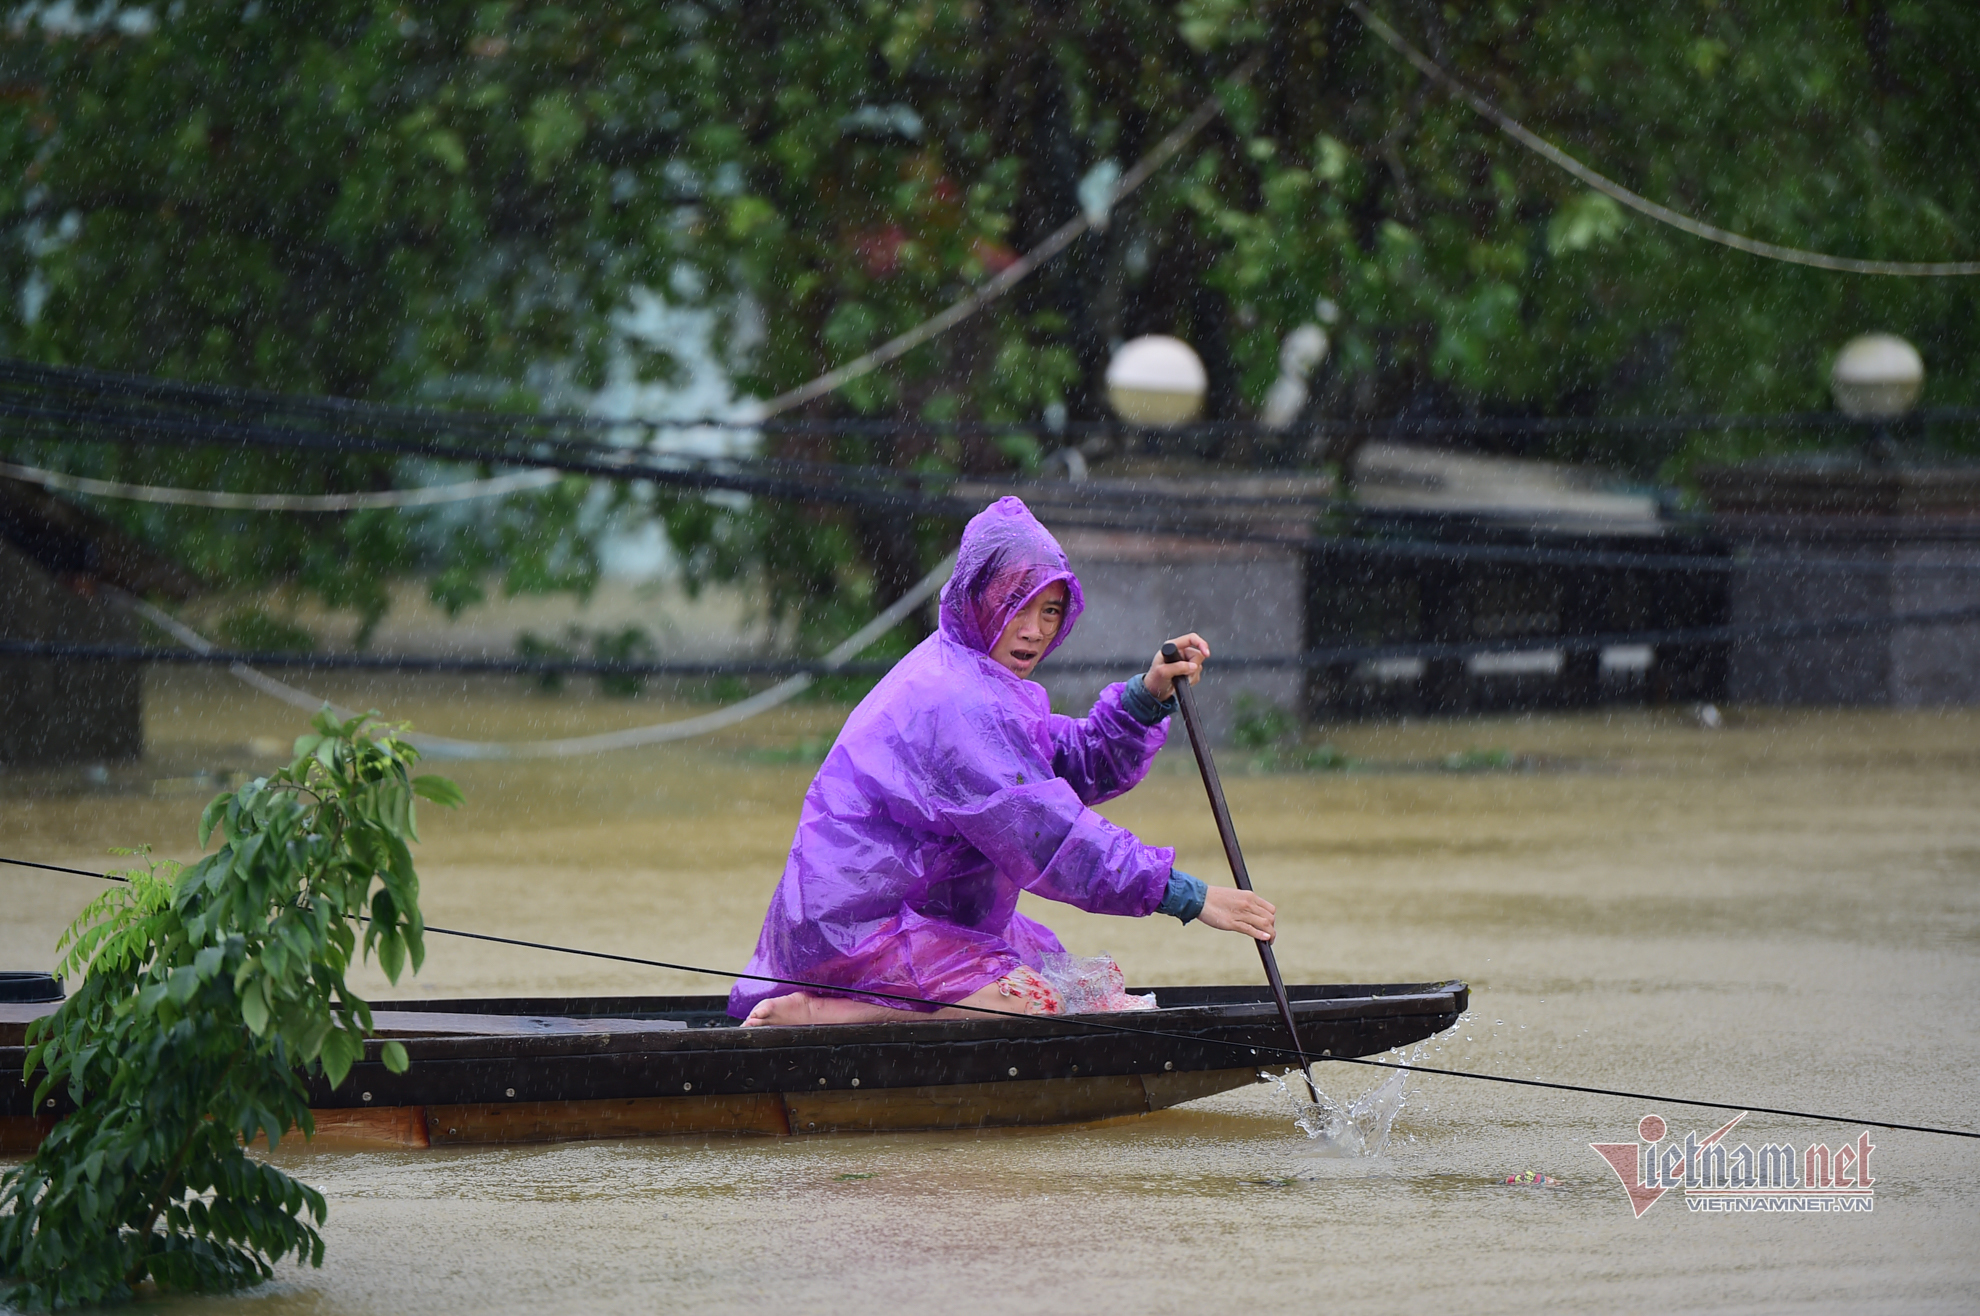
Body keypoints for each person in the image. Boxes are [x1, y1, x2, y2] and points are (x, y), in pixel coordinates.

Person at [733, 496, 1276, 1026]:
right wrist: (1186, 896)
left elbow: (1068, 764)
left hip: (922, 915)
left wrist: (1147, 695)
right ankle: (826, 1015)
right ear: (979, 598)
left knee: (1085, 987)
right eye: (1017, 606)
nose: (1035, 630)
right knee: (1030, 1001)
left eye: (1051, 610)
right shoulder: (955, 699)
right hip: (856, 930)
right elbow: (1051, 835)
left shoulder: (973, 676)